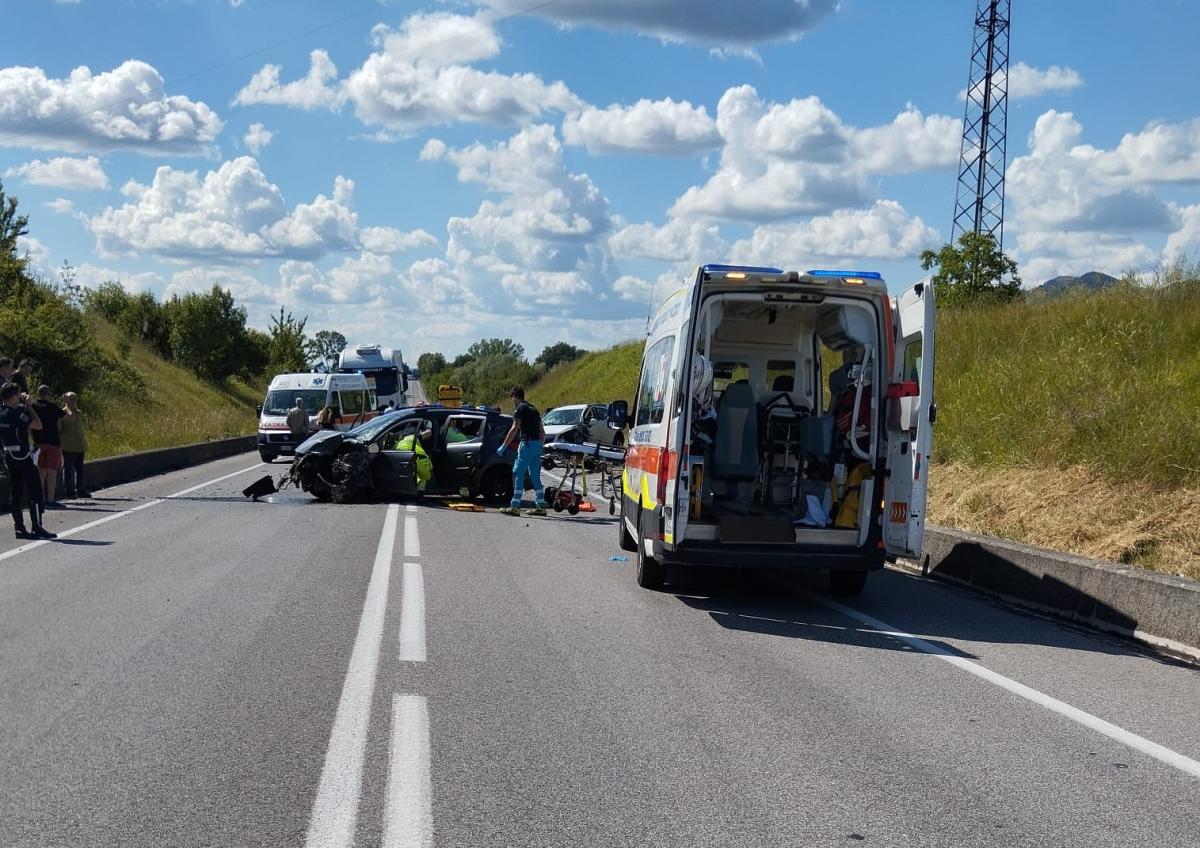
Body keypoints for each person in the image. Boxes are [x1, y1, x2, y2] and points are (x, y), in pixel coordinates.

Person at [0, 383, 55, 539]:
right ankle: (37, 527)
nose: (20, 398)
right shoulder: (18, 414)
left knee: (15, 493)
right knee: (36, 492)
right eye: (18, 395)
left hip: (9, 457)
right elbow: (38, 425)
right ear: (12, 397)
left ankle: (19, 528)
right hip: (23, 457)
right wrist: (29, 406)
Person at [498, 386, 548, 516]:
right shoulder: (534, 409)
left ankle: (515, 505)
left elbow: (514, 429)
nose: (512, 401)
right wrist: (538, 448)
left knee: (518, 472)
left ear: (514, 396)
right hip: (537, 444)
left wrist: (504, 446)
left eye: (512, 398)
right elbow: (543, 433)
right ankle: (540, 505)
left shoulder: (520, 409)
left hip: (527, 444)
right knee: (535, 475)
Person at [31, 385, 64, 508]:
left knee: (41, 473)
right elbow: (65, 418)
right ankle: (50, 500)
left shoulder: (32, 406)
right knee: (52, 473)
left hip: (38, 443)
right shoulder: (53, 407)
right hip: (53, 443)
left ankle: (42, 499)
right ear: (48, 394)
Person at [60, 392, 91, 499]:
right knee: (69, 470)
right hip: (68, 446)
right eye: (70, 399)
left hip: (79, 445)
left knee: (80, 469)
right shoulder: (63, 413)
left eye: (74, 399)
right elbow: (60, 428)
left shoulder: (79, 413)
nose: (72, 402)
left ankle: (80, 489)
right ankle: (69, 491)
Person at [395, 427, 434, 492]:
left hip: (405, 459)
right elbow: (429, 433)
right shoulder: (414, 437)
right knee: (423, 477)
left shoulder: (399, 441)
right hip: (421, 460)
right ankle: (420, 494)